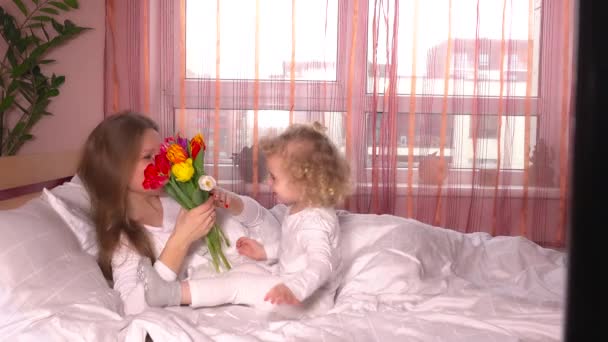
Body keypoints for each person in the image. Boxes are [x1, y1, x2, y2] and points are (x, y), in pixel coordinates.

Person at [138, 122, 352, 317]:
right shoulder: (303, 207)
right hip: (291, 283)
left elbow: (321, 265)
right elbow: (295, 246)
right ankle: (187, 289)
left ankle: (168, 293)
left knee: (237, 285)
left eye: (274, 178)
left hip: (306, 301)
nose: (268, 182)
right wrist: (265, 252)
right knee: (243, 270)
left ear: (305, 184)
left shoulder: (315, 225)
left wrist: (294, 289)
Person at [78, 112, 218, 315]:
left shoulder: (178, 199)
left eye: (162, 154)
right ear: (115, 169)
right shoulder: (125, 237)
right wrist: (180, 240)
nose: (163, 162)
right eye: (148, 157)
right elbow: (134, 309)